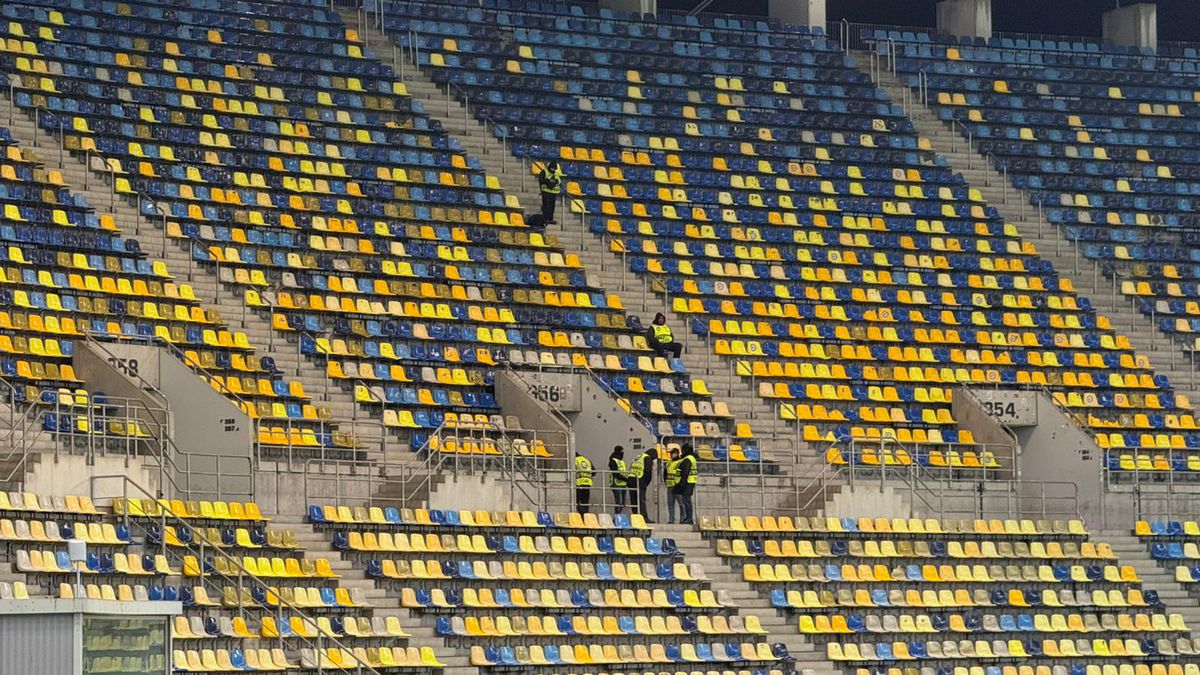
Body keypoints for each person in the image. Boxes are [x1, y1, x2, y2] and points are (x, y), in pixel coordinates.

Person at [666, 443, 697, 525]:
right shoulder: (689, 458)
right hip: (681, 483)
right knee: (681, 502)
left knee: (685, 502)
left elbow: (685, 472)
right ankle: (686, 518)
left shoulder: (687, 459)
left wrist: (681, 483)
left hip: (686, 483)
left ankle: (687, 518)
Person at [628, 446, 656, 521]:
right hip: (639, 480)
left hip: (631, 479)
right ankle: (644, 518)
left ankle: (635, 517)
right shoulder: (647, 458)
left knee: (633, 501)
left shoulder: (638, 456)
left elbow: (631, 467)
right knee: (641, 500)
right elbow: (648, 472)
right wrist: (646, 483)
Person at [536, 159, 564, 224]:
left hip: (553, 192)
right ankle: (545, 219)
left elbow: (559, 181)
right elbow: (541, 180)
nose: (553, 170)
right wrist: (548, 181)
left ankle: (550, 219)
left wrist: (554, 181)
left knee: (552, 206)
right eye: (552, 168)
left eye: (554, 169)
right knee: (546, 205)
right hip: (545, 191)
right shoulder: (544, 171)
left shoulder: (556, 173)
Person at [607, 445, 628, 514]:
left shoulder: (621, 462)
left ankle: (617, 517)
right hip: (615, 483)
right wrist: (626, 479)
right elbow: (615, 473)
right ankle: (617, 517)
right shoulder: (613, 460)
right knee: (619, 501)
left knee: (622, 502)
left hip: (623, 484)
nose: (622, 453)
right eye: (621, 451)